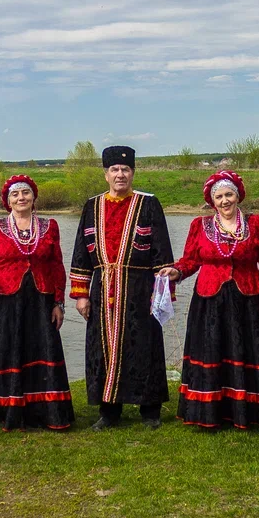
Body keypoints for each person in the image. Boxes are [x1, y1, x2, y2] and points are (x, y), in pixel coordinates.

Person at [159, 170, 259, 430]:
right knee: (211, 350)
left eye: (229, 194)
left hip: (246, 298)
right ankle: (209, 412)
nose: (225, 201)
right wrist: (176, 271)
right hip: (209, 299)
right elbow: (190, 261)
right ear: (212, 201)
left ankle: (245, 413)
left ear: (238, 196)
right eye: (219, 197)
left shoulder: (257, 224)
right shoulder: (199, 225)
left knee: (244, 351)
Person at [70, 146, 174, 430]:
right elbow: (81, 252)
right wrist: (80, 294)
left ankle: (149, 410)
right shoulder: (91, 206)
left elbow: (161, 250)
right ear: (105, 175)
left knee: (145, 345)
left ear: (133, 173)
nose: (120, 175)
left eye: (125, 170)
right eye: (114, 170)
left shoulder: (148, 204)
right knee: (103, 348)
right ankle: (109, 411)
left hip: (141, 288)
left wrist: (162, 293)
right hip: (102, 289)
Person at [0, 175, 75, 431]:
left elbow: (57, 266)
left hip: (40, 302)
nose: (21, 198)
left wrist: (59, 302)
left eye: (25, 193)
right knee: (7, 351)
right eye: (15, 195)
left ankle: (43, 411)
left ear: (34, 197)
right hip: (5, 302)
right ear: (7, 201)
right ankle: (4, 409)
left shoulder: (50, 226)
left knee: (40, 352)